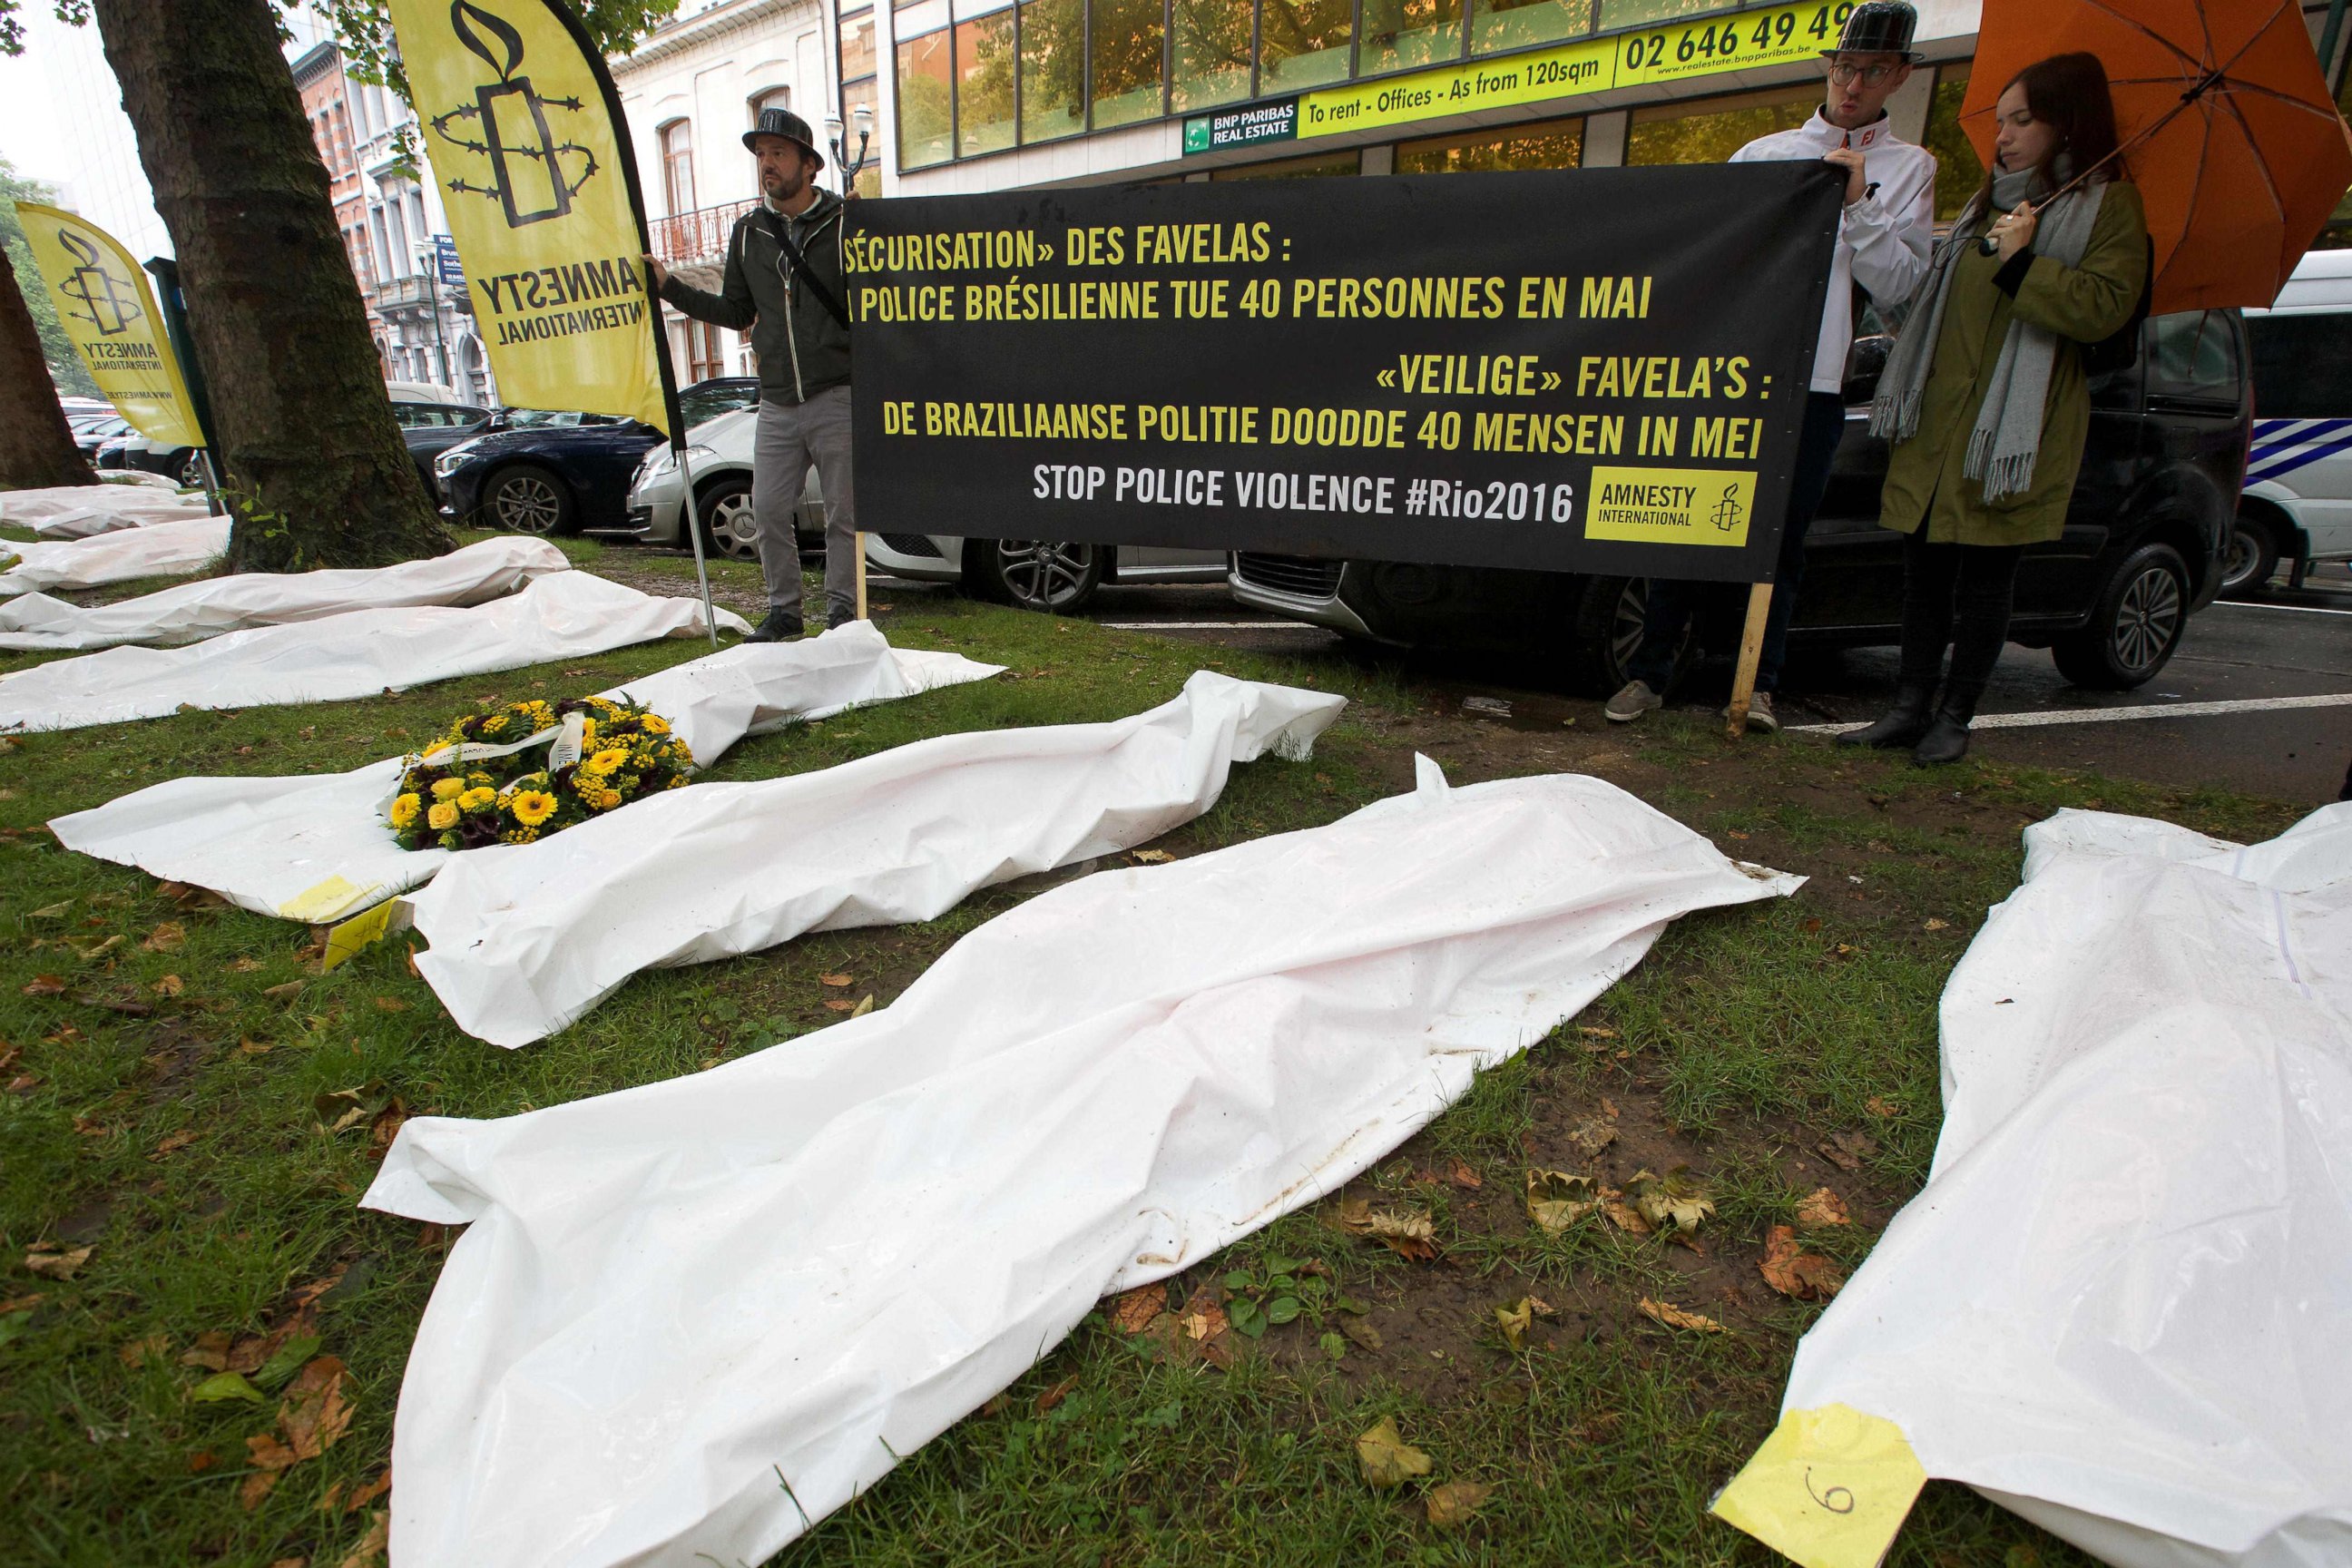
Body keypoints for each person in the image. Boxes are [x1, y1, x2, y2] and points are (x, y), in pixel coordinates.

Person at [1606, 1, 1937, 733]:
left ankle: (1757, 684)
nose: (1854, 85)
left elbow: (1905, 286)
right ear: (1829, 67)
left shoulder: (1909, 168)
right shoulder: (1763, 154)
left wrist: (1859, 207)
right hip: (1732, 375)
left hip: (1814, 382)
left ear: (1900, 77)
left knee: (1783, 538)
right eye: (1846, 67)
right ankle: (1649, 673)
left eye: (1873, 71)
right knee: (1686, 521)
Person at [1840, 52, 2149, 765]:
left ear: (2066, 124)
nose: (2003, 136)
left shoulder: (2108, 205)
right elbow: (1925, 301)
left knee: (1984, 579)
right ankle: (1908, 705)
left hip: (2011, 429)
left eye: (2022, 121)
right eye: (2001, 121)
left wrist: (2023, 264)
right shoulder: (1992, 201)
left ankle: (1955, 713)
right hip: (1939, 421)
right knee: (1925, 575)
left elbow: (2105, 308)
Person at [644, 108, 856, 642]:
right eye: (761, 154)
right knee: (766, 511)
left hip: (837, 394)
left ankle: (843, 616)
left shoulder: (844, 222)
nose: (767, 164)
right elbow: (737, 313)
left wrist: (873, 225)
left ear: (810, 165)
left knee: (843, 517)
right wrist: (668, 286)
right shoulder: (748, 234)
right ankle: (785, 612)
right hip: (778, 403)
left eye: (778, 153)